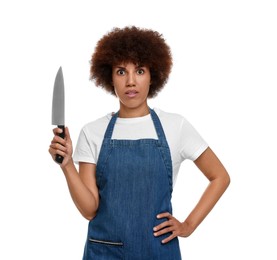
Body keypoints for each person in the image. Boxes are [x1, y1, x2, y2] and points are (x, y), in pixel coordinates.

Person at [49, 26, 230, 260]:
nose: (131, 81)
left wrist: (188, 225)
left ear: (153, 75)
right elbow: (89, 209)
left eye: (140, 71)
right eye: (122, 71)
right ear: (109, 76)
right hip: (105, 252)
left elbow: (220, 177)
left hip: (158, 250)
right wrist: (67, 166)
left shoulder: (176, 126)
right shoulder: (92, 132)